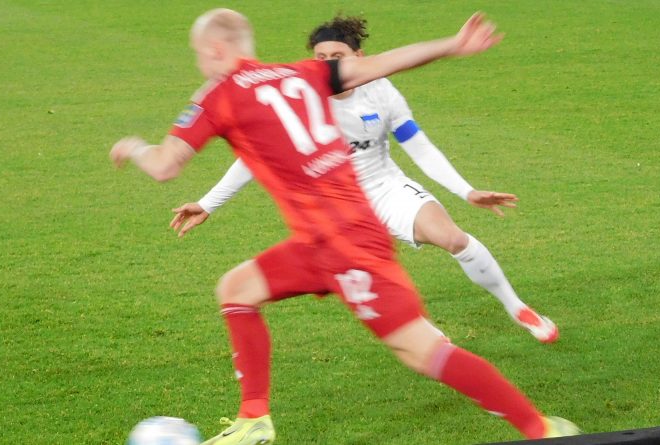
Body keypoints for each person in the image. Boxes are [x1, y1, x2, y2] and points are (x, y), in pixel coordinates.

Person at [110, 8, 579, 445]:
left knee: (422, 351)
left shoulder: (217, 94)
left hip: (348, 245)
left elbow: (165, 166)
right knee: (237, 288)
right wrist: (451, 44)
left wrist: (132, 146)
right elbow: (381, 64)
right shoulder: (303, 73)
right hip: (318, 241)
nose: (199, 63)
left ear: (214, 50)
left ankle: (542, 428)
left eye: (198, 54)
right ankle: (254, 420)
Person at [171, 15, 558, 344]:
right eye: (320, 58)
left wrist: (466, 191)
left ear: (358, 58)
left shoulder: (382, 92)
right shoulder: (299, 94)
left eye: (336, 57)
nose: (328, 65)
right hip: (333, 207)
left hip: (384, 186)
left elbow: (418, 146)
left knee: (453, 238)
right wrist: (208, 203)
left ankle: (517, 307)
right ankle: (425, 336)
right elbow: (253, 160)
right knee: (379, 278)